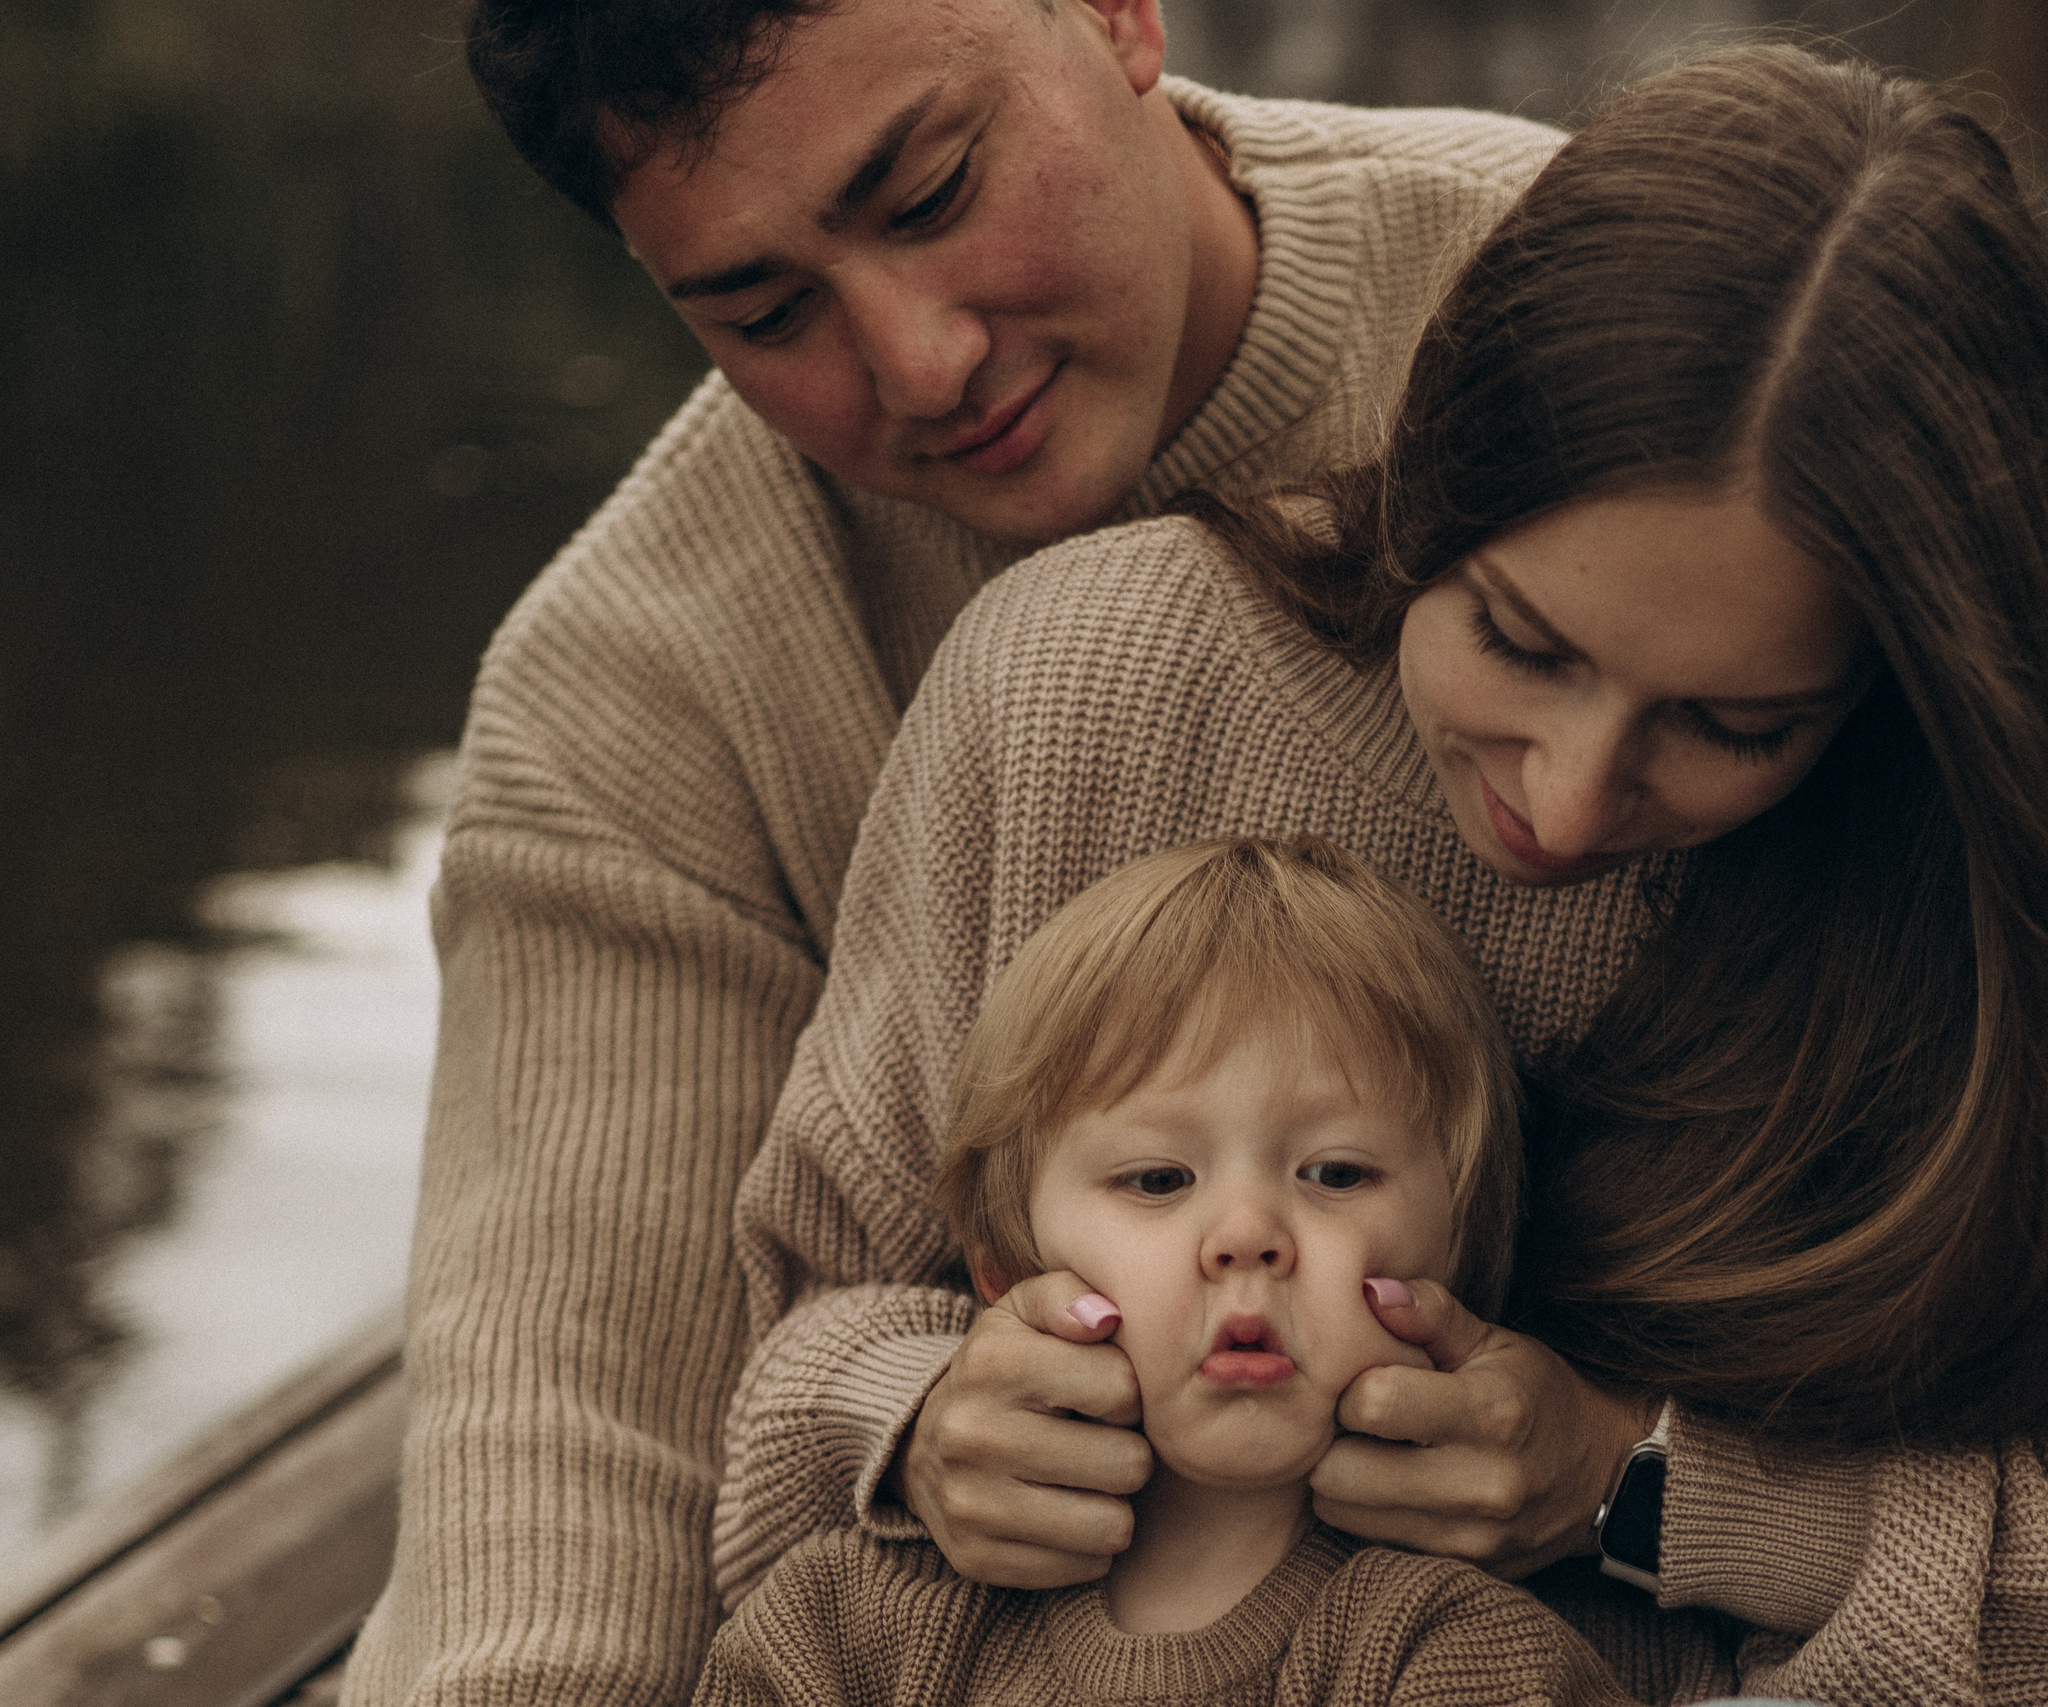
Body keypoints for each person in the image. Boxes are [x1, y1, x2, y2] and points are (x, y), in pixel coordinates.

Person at [714, 44, 2048, 1706]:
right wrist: (925, 1421)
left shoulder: (2005, 883)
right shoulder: (1081, 687)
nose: (1564, 797)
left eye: (1731, 723)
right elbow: (793, 1346)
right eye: (1517, 639)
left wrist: (1647, 1487)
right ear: (1435, 482)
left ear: (1894, 705)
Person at [345, 0, 1568, 1701]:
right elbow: (562, 1474)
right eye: (769, 313)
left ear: (1123, 14)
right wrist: (906, 1414)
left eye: (930, 191)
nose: (921, 362)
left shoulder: (1612, 329)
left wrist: (1649, 1474)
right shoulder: (635, 693)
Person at [694, 835, 1727, 1706]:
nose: (1245, 1234)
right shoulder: (845, 1630)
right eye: (1155, 1179)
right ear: (1011, 1277)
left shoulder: (1449, 1656)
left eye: (1335, 1172)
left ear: (1457, 1265)